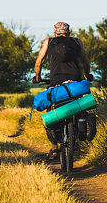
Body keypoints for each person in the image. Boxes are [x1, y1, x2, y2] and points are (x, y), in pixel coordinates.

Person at [33, 21, 91, 160]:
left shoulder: (49, 42)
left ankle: (54, 147)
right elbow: (86, 62)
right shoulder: (77, 42)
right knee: (79, 105)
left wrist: (38, 77)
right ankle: (80, 126)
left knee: (50, 111)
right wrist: (86, 75)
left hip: (56, 81)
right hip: (75, 82)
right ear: (68, 33)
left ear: (55, 32)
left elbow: (38, 62)